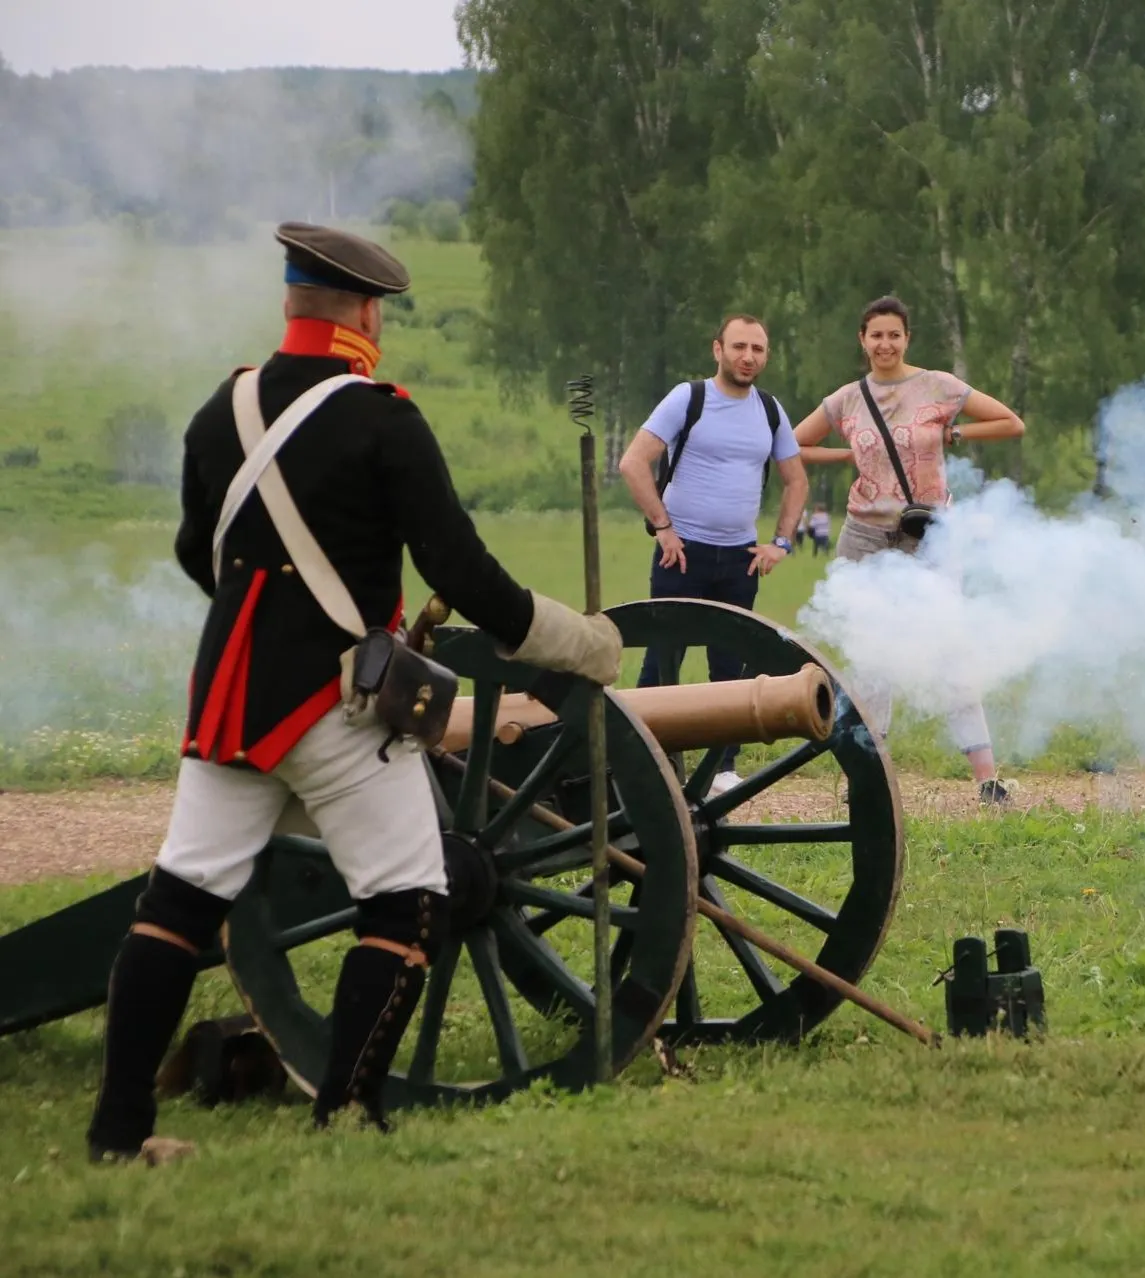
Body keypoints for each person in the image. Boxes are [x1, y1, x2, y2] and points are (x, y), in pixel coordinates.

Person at [85, 223, 622, 1164]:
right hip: (338, 706)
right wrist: (575, 640)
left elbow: (191, 553)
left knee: (179, 900)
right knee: (408, 897)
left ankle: (118, 1133)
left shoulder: (225, 411)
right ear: (368, 313)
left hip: (232, 701)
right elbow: (460, 567)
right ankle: (344, 1110)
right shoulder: (383, 417)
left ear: (292, 303)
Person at [793, 295, 1024, 806]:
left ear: (907, 338)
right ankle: (869, 779)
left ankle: (987, 781)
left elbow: (1011, 422)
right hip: (864, 536)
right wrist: (847, 455)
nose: (885, 344)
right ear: (862, 340)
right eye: (876, 335)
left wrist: (955, 431)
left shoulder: (938, 385)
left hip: (932, 533)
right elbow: (794, 444)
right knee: (872, 656)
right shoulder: (846, 399)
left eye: (894, 334)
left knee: (950, 651)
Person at [618, 314, 808, 798]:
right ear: (717, 349)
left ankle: (723, 767)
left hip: (741, 558)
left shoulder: (769, 409)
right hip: (682, 554)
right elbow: (634, 461)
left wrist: (781, 543)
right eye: (740, 346)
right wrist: (663, 527)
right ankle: (639, 757)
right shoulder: (689, 398)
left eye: (758, 350)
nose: (749, 357)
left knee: (731, 665)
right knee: (664, 658)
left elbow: (796, 479)